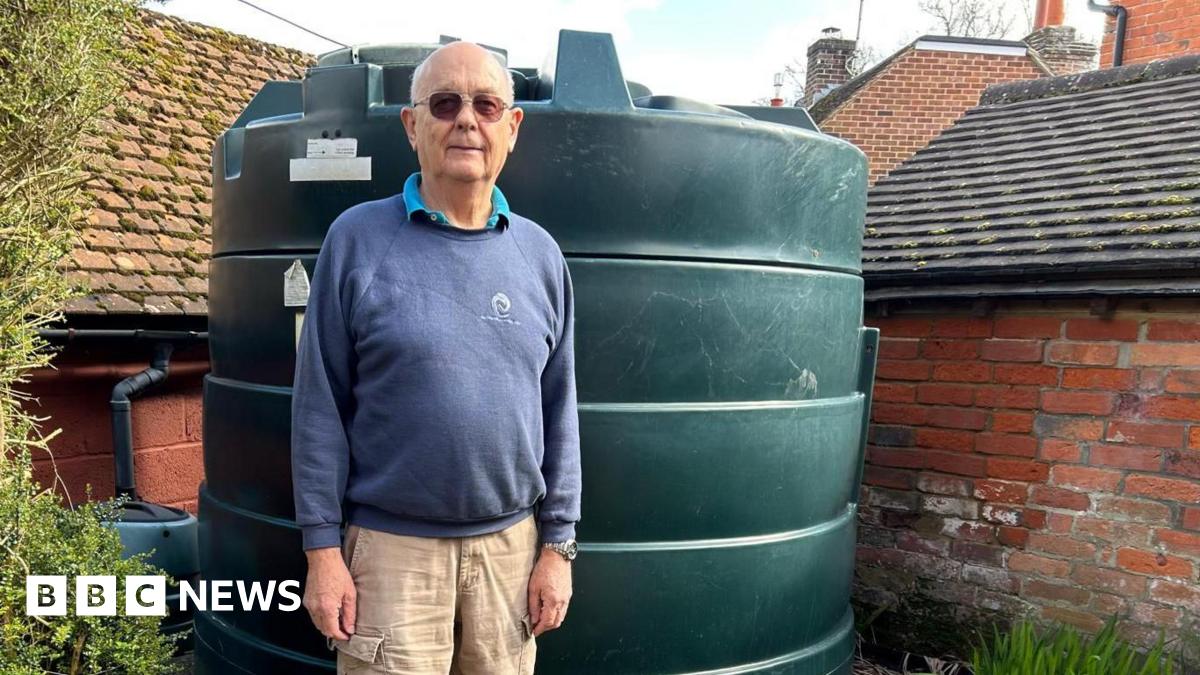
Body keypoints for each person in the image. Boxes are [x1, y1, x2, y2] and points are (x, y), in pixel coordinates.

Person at [290, 40, 581, 674]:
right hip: (389, 557)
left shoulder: (541, 256)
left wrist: (558, 545)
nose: (466, 121)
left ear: (512, 126)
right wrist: (321, 552)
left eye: (486, 104)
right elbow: (319, 409)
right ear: (412, 123)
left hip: (511, 553)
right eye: (445, 104)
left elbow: (561, 412)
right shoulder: (357, 241)